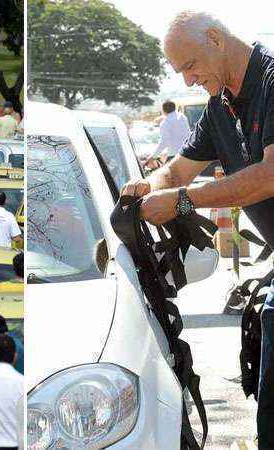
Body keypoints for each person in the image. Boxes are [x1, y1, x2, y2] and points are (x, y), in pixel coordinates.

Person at [121, 12, 274, 445]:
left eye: (190, 66)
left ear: (215, 38)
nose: (187, 80)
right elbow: (177, 171)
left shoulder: (272, 83)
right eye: (180, 72)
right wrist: (148, 186)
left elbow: (269, 175)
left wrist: (184, 201)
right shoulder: (218, 107)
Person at [149, 100, 191, 164]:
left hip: (174, 155)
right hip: (188, 153)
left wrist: (153, 156)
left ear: (163, 110)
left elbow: (164, 142)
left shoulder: (165, 123)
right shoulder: (183, 117)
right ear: (175, 108)